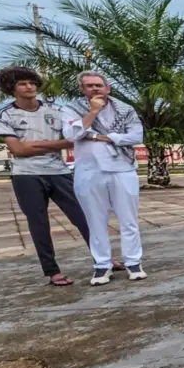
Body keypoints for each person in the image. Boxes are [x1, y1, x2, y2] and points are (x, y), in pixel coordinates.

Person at [0, 66, 106, 286]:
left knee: (84, 217)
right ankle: (52, 271)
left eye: (32, 83)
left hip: (59, 171)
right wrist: (54, 144)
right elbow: (17, 150)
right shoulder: (4, 114)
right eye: (23, 84)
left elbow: (73, 138)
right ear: (12, 89)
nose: (29, 87)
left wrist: (35, 145)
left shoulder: (56, 110)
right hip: (26, 175)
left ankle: (103, 260)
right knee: (39, 223)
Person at [61, 71, 147, 284]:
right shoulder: (72, 108)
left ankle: (133, 262)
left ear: (108, 88)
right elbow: (71, 135)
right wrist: (93, 112)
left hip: (123, 168)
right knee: (95, 221)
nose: (95, 89)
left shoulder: (125, 109)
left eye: (99, 85)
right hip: (89, 170)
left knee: (129, 220)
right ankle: (102, 265)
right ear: (82, 89)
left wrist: (105, 137)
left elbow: (136, 136)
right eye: (89, 86)